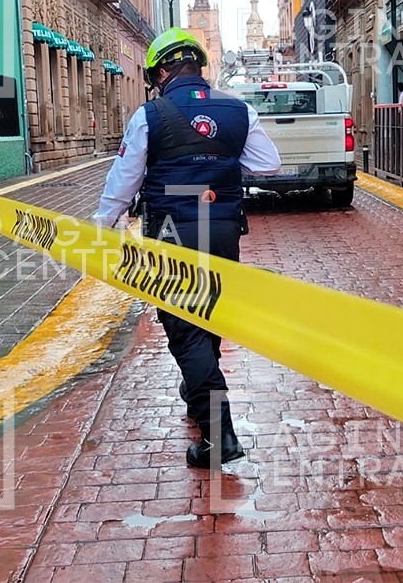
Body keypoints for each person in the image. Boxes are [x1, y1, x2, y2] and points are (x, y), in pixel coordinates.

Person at [96, 28, 281, 468]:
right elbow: (269, 163)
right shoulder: (238, 110)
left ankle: (220, 436)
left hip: (172, 233)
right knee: (210, 311)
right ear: (198, 66)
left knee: (183, 326)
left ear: (161, 72)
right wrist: (221, 161)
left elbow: (123, 182)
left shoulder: (149, 115)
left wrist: (102, 227)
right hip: (223, 228)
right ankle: (198, 386)